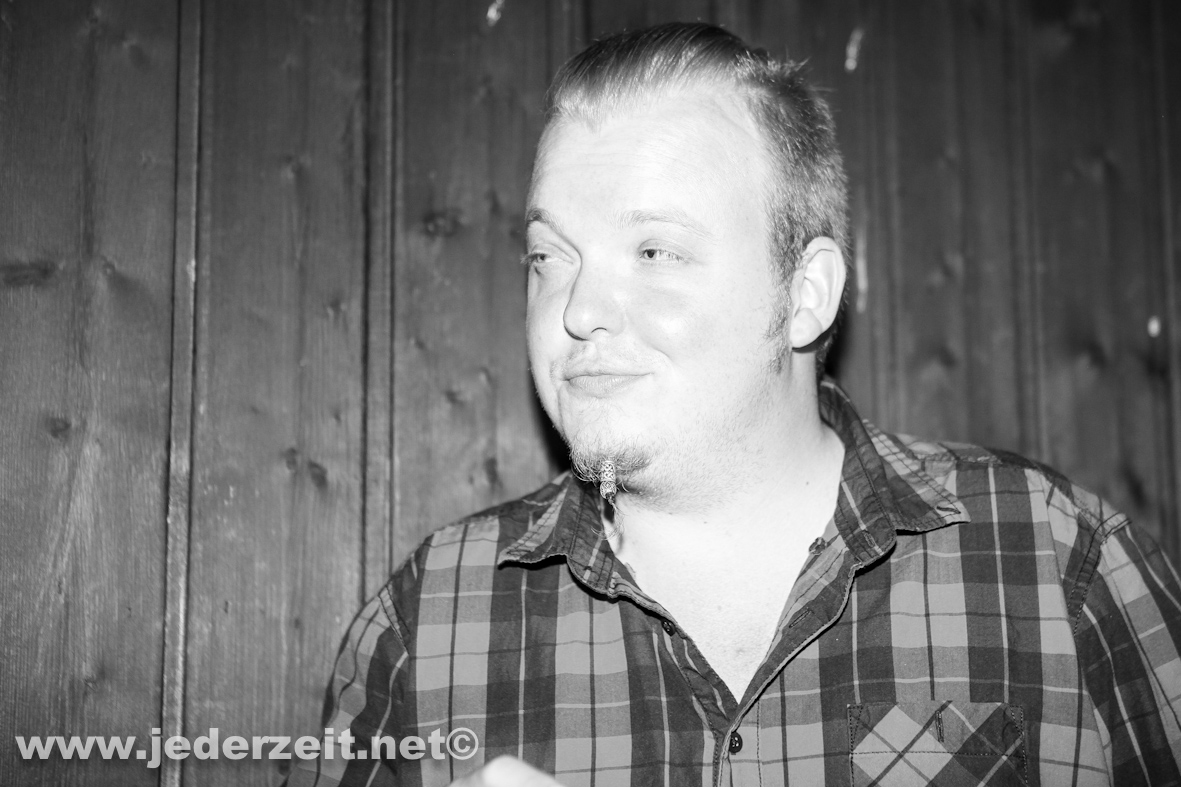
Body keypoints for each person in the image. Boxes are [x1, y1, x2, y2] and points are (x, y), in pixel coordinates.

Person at [287, 22, 1181, 787]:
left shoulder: (1055, 561)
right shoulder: (431, 617)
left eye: (654, 252)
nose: (577, 309)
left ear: (804, 294)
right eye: (549, 257)